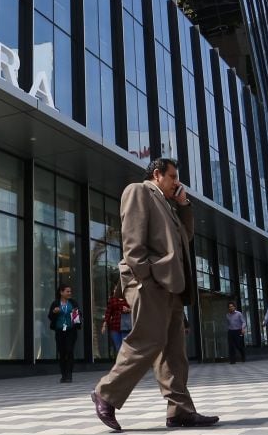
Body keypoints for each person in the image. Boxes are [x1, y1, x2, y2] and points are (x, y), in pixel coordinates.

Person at [90, 158, 220, 430]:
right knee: (147, 340)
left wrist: (184, 206)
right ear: (157, 174)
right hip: (149, 283)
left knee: (174, 352)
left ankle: (180, 411)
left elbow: (184, 238)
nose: (177, 182)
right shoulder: (138, 191)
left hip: (170, 286)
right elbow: (132, 243)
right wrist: (147, 278)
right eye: (173, 177)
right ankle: (106, 393)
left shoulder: (170, 206)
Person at [48, 284, 83, 383]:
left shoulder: (73, 303)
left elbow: (78, 316)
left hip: (71, 330)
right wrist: (54, 312)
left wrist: (76, 313)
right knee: (62, 352)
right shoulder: (55, 303)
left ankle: (69, 374)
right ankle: (63, 374)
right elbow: (50, 316)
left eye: (70, 291)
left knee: (69, 350)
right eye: (67, 291)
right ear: (61, 292)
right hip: (60, 330)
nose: (69, 293)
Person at [101, 285, 132, 355]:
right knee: (118, 347)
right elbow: (108, 313)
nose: (116, 291)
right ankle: (121, 364)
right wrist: (104, 325)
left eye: (118, 290)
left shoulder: (128, 298)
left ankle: (126, 364)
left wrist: (129, 310)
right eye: (115, 290)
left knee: (126, 348)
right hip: (115, 326)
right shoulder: (112, 300)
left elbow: (136, 309)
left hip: (126, 327)